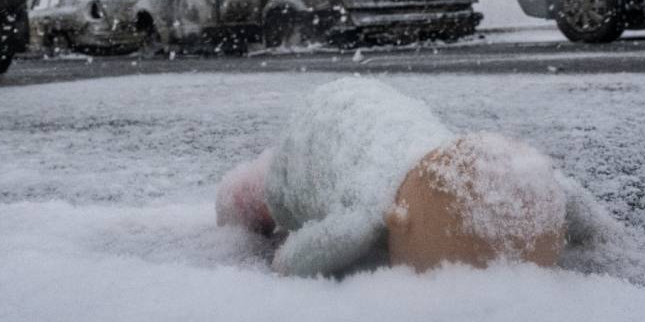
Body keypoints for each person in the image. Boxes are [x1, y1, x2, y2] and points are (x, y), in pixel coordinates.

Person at [215, 77, 569, 277]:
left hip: (364, 106)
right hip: (310, 143)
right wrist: (286, 263)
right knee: (256, 199)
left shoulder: (469, 169)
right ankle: (234, 201)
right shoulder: (366, 212)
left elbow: (553, 190)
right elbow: (293, 260)